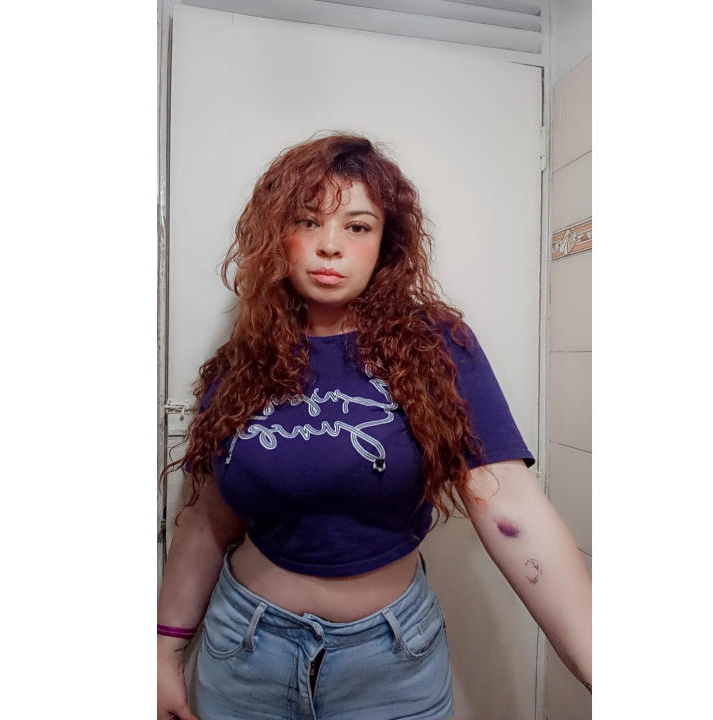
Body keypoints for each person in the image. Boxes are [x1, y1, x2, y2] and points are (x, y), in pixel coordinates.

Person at [157, 132, 591, 720]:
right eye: (307, 221)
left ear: (386, 242)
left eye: (357, 226)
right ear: (277, 234)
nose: (330, 245)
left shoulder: (437, 346)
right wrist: (163, 651)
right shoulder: (243, 362)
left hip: (390, 662)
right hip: (245, 651)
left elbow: (509, 505)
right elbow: (208, 517)